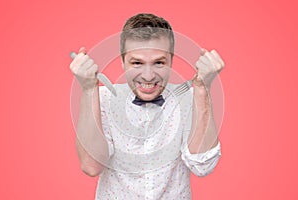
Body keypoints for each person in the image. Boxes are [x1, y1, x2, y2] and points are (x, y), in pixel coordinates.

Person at [70, 13, 224, 199]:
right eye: (137, 63)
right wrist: (88, 90)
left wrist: (203, 88)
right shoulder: (102, 98)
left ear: (171, 61)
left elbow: (203, 166)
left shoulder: (190, 99)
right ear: (122, 62)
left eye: (159, 63)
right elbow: (91, 166)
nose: (148, 76)